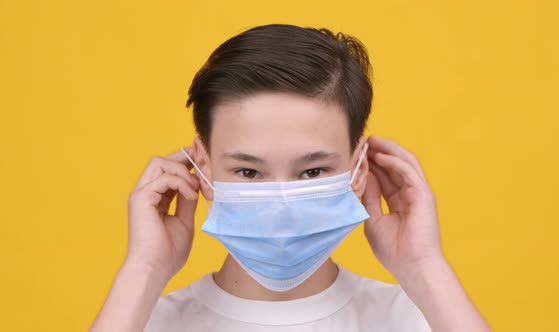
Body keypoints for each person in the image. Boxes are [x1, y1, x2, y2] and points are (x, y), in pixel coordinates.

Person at [90, 24, 492, 332]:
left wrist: (424, 266)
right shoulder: (137, 320)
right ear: (203, 167)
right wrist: (143, 269)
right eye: (248, 171)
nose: (281, 200)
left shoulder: (422, 319)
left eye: (313, 171)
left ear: (359, 167)